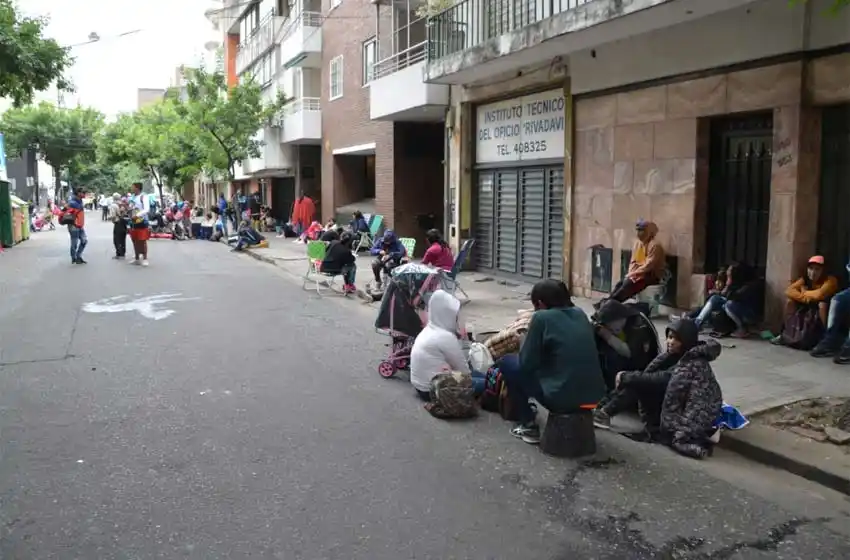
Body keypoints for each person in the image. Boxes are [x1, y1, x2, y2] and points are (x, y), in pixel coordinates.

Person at [497, 280, 606, 444]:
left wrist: (524, 341)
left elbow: (526, 364)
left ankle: (528, 424)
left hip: (561, 399)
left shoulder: (541, 318)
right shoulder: (580, 313)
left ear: (540, 303)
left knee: (507, 363)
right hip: (593, 398)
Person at [594, 318, 699, 437]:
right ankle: (603, 409)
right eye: (670, 337)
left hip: (680, 412)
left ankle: (605, 413)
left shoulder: (692, 362)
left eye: (677, 339)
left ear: (687, 341)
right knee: (637, 380)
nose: (671, 342)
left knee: (640, 382)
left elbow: (662, 379)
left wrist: (626, 377)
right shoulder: (671, 355)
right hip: (670, 402)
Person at [410, 290, 486, 401]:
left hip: (421, 385)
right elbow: (464, 371)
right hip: (434, 389)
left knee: (483, 376)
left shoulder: (430, 329)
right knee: (487, 383)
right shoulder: (445, 337)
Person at [593, 299, 660, 392]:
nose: (609, 327)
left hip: (641, 368)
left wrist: (607, 335)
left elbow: (629, 352)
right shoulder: (615, 324)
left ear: (621, 318)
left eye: (610, 324)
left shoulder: (638, 324)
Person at [772, 255, 838, 348]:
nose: (813, 273)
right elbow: (789, 290)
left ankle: (825, 338)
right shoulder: (804, 279)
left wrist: (804, 291)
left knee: (822, 305)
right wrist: (804, 298)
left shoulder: (830, 280)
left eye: (817, 269)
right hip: (808, 306)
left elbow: (819, 295)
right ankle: (785, 333)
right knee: (789, 302)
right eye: (810, 269)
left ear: (823, 271)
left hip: (822, 308)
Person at [693, 263, 761, 337]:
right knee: (715, 298)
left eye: (729, 274)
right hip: (739, 307)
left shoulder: (749, 286)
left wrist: (728, 284)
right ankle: (697, 324)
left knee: (729, 305)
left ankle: (742, 329)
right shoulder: (739, 283)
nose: (728, 276)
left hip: (750, 315)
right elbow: (725, 295)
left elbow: (734, 297)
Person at [609, 220, 665, 303]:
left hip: (649, 275)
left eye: (642, 230)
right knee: (620, 284)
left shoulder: (655, 245)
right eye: (638, 230)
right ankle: (608, 302)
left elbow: (649, 265)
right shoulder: (638, 244)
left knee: (628, 286)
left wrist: (634, 274)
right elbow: (633, 260)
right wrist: (631, 273)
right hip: (637, 273)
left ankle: (610, 303)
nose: (639, 233)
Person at [62, 188, 88, 264]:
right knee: (74, 243)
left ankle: (77, 256)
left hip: (79, 225)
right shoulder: (72, 203)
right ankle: (74, 258)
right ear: (78, 193)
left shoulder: (80, 201)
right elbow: (64, 211)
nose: (84, 194)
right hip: (73, 226)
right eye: (83, 193)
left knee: (84, 240)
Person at [128, 183, 151, 266]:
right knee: (134, 240)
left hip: (142, 221)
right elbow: (131, 207)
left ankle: (145, 258)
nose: (132, 188)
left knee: (142, 240)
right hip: (133, 222)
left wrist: (137, 215)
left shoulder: (144, 196)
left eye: (133, 187)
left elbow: (146, 209)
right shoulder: (132, 197)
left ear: (137, 188)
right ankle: (137, 258)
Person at [109, 194, 128, 259]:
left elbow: (113, 215)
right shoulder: (122, 204)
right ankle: (123, 252)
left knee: (117, 239)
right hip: (124, 222)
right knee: (122, 239)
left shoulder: (113, 205)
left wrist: (111, 218)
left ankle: (119, 253)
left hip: (118, 223)